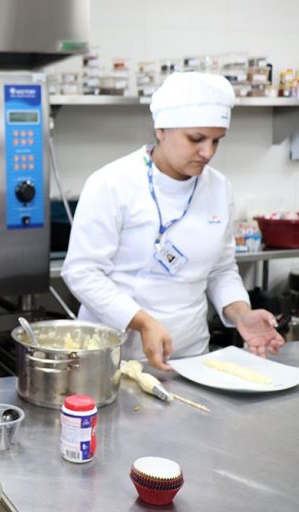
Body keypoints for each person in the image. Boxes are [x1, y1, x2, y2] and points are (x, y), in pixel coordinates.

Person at [61, 71, 284, 371]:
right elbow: (82, 271)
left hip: (190, 357)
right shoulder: (112, 183)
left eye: (217, 141)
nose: (207, 153)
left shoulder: (218, 189)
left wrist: (241, 313)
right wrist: (143, 322)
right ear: (161, 129)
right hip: (112, 357)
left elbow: (221, 270)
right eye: (196, 139)